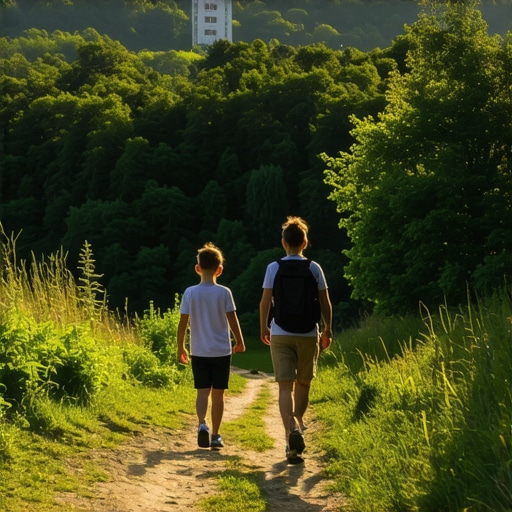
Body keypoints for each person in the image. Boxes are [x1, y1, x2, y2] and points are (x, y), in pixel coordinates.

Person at [259, 216, 333, 464]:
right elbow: (325, 302)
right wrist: (328, 329)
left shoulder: (274, 267)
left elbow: (264, 301)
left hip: (280, 331)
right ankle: (299, 426)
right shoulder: (314, 267)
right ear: (305, 242)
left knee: (283, 386)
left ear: (283, 243)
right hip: (308, 333)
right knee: (303, 383)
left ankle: (290, 433)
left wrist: (263, 328)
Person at [177, 242, 245, 450]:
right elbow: (233, 319)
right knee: (218, 394)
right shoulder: (224, 293)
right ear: (220, 269)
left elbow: (182, 323)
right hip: (221, 351)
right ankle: (215, 435)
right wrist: (239, 341)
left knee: (202, 392)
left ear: (197, 268)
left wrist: (181, 347)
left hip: (199, 350)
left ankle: (201, 425)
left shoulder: (190, 293)